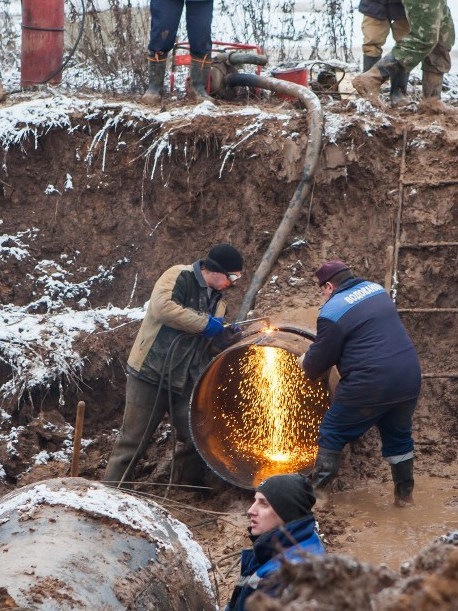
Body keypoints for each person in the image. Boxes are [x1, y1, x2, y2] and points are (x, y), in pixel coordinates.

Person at [103, 243, 244, 486]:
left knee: (197, 435)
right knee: (133, 440)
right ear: (216, 270)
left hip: (187, 379)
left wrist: (221, 340)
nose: (232, 283)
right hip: (151, 372)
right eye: (231, 277)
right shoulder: (179, 275)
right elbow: (162, 308)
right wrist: (205, 324)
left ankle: (186, 487)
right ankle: (111, 492)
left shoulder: (219, 303)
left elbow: (204, 345)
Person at [300, 260, 421, 507]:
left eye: (322, 289)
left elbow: (317, 363)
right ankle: (405, 498)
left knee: (332, 432)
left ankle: (319, 498)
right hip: (408, 377)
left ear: (329, 286)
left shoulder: (332, 311)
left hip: (369, 384)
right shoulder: (376, 290)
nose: (323, 294)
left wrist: (305, 360)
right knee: (398, 438)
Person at [226, 473, 324, 610]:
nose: (251, 510)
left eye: (263, 504)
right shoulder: (303, 541)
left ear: (286, 512)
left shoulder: (281, 578)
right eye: (255, 501)